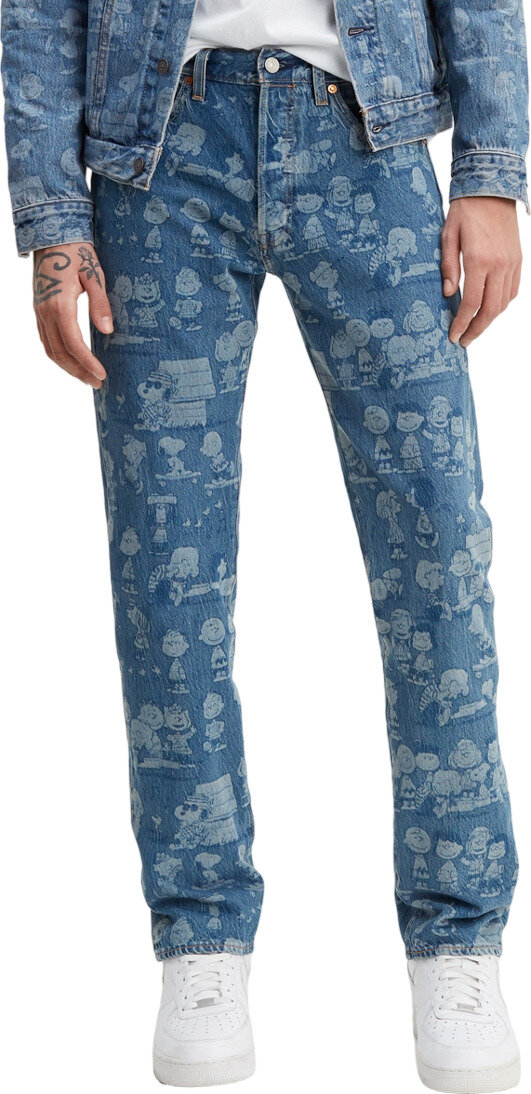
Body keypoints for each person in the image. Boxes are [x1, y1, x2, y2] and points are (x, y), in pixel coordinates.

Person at [1, 0, 527, 1089]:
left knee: (437, 551)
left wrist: (490, 169)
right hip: (159, 158)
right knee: (168, 570)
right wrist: (53, 217)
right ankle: (200, 936)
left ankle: (457, 941)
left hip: (367, 137)